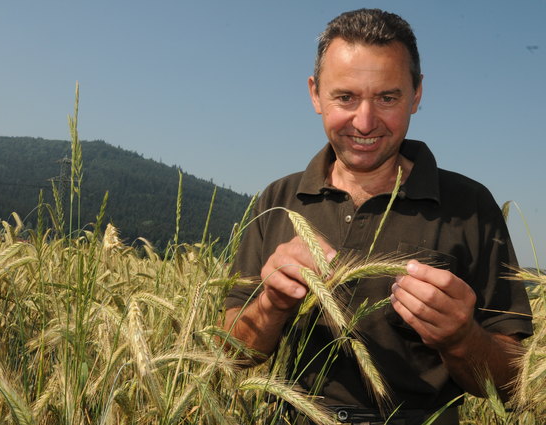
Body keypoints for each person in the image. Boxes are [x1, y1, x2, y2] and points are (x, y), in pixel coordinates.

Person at [223, 8, 533, 425]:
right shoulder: (277, 200)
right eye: (345, 97)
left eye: (387, 98)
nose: (365, 122)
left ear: (417, 94)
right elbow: (233, 356)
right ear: (315, 94)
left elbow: (514, 381)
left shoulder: (472, 207)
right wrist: (272, 302)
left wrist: (461, 336)